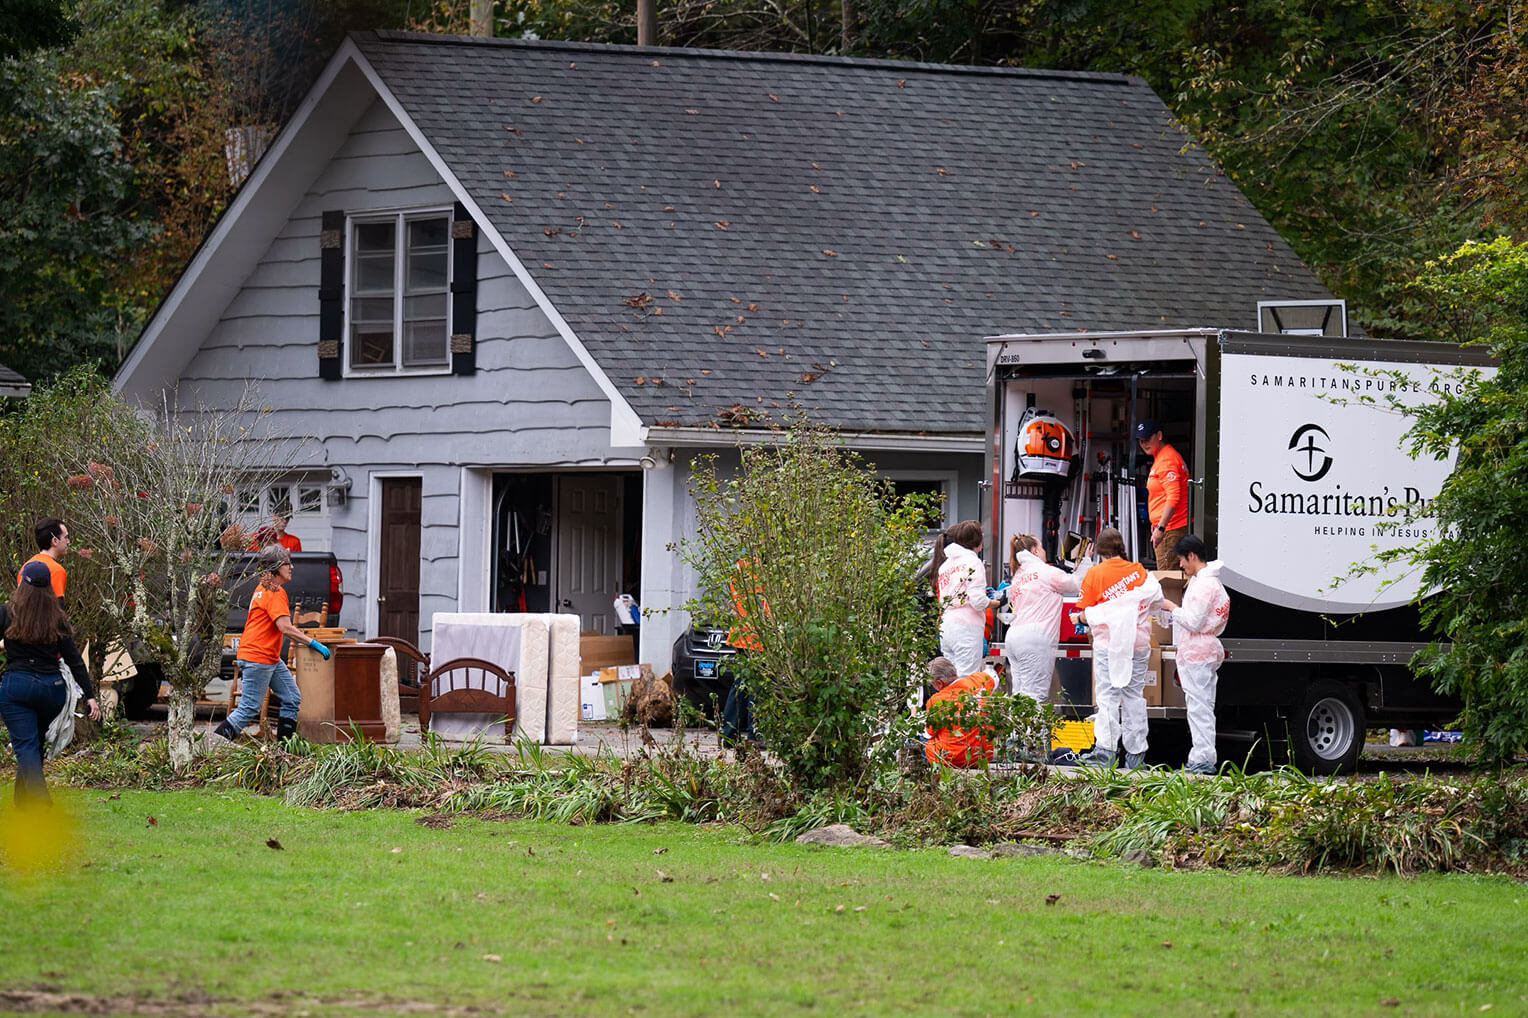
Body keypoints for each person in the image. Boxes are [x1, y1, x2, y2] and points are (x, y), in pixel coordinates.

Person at [0, 561, 100, 807]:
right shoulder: (57, 617)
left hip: (17, 686)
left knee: (25, 746)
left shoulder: (7, 612)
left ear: (22, 583)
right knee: (33, 745)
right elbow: (75, 660)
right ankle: (22, 805)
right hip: (51, 688)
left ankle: (41, 800)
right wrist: (90, 695)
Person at [213, 545, 329, 743]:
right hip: (258, 657)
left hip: (269, 658)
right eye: (287, 563)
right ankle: (215, 744)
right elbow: (285, 627)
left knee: (291, 698)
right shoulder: (274, 593)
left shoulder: (263, 589)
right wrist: (313, 643)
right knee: (249, 707)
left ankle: (285, 750)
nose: (292, 567)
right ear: (276, 567)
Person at [1073, 527, 1161, 768]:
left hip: (1109, 645)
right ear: (1121, 548)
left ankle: (1105, 753)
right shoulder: (1139, 571)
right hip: (1139, 643)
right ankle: (1136, 758)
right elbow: (1155, 601)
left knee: (1108, 698)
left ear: (1100, 551)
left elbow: (1084, 610)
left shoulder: (1095, 573)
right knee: (1134, 697)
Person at [1159, 534, 1230, 775]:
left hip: (1197, 653)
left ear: (1192, 556)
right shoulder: (1214, 583)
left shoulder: (1202, 585)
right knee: (1203, 707)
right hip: (1207, 650)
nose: (1180, 565)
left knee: (1198, 708)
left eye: (1181, 560)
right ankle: (1202, 757)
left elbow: (1193, 621)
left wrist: (1171, 608)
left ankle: (1202, 760)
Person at [1001, 534, 1083, 704]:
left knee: (1019, 693)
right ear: (1035, 551)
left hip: (1014, 636)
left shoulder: (1018, 576)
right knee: (1034, 696)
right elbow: (1076, 584)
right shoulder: (1046, 571)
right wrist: (1086, 562)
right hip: (1036, 638)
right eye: (1042, 547)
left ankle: (1017, 730)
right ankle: (1032, 731)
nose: (1045, 551)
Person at [931, 520, 991, 676]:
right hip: (967, 628)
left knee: (951, 679)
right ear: (977, 541)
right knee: (967, 680)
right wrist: (994, 602)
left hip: (947, 628)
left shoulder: (945, 565)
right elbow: (977, 601)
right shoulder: (972, 562)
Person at [1135, 419, 1189, 570]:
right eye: (1140, 441)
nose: (1144, 444)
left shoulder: (1167, 460)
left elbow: (1173, 496)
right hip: (1170, 528)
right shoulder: (1162, 457)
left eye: (1147, 439)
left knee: (1168, 580)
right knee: (1172, 578)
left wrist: (1160, 528)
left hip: (1171, 529)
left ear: (1159, 435)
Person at [923, 656, 995, 768]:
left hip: (954, 758)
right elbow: (994, 677)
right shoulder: (979, 680)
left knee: (923, 741)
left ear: (939, 683)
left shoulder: (937, 701)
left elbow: (930, 732)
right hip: (984, 754)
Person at [17, 517, 69, 601]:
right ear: (55, 541)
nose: (68, 541)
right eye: (66, 537)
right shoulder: (56, 571)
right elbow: (56, 609)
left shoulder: (25, 568)